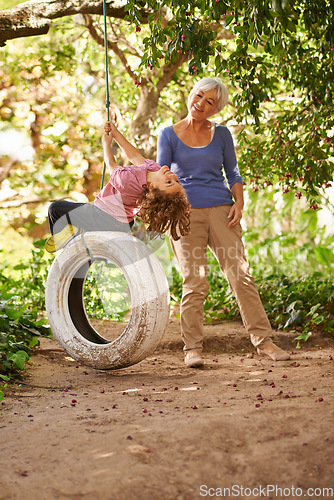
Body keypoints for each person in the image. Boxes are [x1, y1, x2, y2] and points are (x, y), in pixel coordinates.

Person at [156, 77, 290, 366]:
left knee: (240, 275)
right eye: (199, 95)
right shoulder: (168, 134)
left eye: (210, 102)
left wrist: (239, 203)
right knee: (194, 281)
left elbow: (233, 172)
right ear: (191, 93)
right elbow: (160, 174)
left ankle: (263, 342)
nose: (200, 103)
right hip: (185, 216)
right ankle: (192, 349)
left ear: (216, 109)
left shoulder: (222, 135)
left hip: (222, 211)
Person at [46, 121, 191, 252]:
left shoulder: (128, 182)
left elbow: (111, 163)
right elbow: (134, 156)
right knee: (86, 245)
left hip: (104, 218)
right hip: (123, 225)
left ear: (152, 188)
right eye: (176, 181)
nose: (172, 176)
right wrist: (115, 133)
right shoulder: (153, 168)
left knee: (56, 209)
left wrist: (106, 144)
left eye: (168, 183)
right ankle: (77, 241)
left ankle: (68, 247)